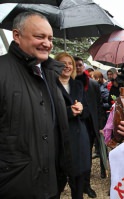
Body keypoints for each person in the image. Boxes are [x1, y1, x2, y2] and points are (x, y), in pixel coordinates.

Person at [0, 12, 72, 198]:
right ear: (17, 35)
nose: (47, 43)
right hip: (15, 187)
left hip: (51, 183)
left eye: (50, 38)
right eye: (39, 36)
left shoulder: (49, 74)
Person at [54, 52, 90, 199]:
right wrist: (69, 112)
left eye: (70, 63)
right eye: (63, 63)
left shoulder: (78, 85)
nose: (67, 66)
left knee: (78, 183)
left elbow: (87, 111)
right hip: (59, 140)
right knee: (56, 183)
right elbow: (46, 114)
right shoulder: (50, 86)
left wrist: (81, 110)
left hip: (79, 138)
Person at [74, 56, 106, 198]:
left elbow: (99, 106)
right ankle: (75, 184)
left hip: (89, 125)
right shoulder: (67, 83)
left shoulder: (93, 84)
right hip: (74, 125)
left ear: (84, 66)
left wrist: (100, 125)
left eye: (80, 65)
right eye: (76, 65)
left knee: (87, 156)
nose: (78, 67)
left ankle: (86, 185)